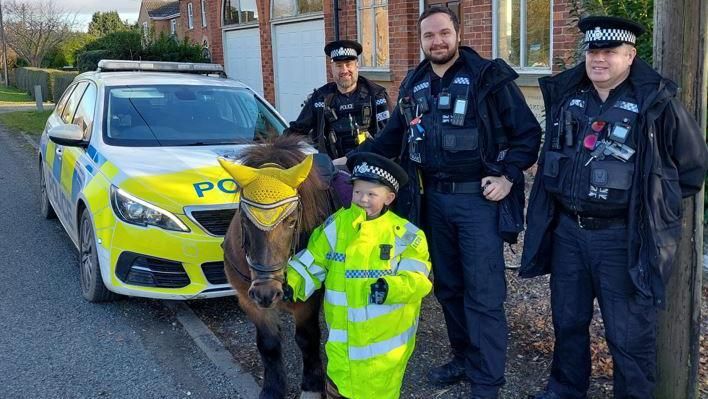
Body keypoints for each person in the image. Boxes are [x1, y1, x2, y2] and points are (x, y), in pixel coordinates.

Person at [336, 7, 542, 398]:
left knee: (483, 293)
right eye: (429, 36)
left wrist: (508, 175)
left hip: (478, 202)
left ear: (458, 33)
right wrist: (348, 161)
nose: (438, 41)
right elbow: (390, 139)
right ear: (422, 40)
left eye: (444, 33)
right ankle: (463, 358)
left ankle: (487, 380)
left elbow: (528, 135)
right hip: (432, 203)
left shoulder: (487, 77)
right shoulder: (414, 84)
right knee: (448, 288)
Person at [521, 15, 708, 399]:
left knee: (628, 334)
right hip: (569, 232)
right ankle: (566, 389)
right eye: (593, 51)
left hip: (622, 238)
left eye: (609, 52)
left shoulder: (654, 103)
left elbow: (691, 169)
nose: (599, 60)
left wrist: (653, 205)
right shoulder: (570, 95)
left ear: (630, 55)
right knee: (568, 321)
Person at [285, 152, 432, 399]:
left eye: (371, 194)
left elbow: (418, 279)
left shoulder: (407, 235)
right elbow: (313, 260)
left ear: (389, 197)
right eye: (357, 192)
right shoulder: (337, 225)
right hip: (342, 346)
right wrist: (292, 282)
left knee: (376, 391)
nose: (362, 199)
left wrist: (390, 288)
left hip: (384, 352)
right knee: (338, 387)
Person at [285, 40, 391, 159]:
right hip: (332, 169)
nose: (344, 70)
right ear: (332, 68)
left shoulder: (376, 95)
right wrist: (273, 150)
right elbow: (296, 131)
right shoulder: (320, 98)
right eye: (339, 65)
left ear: (357, 65)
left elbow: (388, 136)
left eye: (348, 64)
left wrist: (348, 159)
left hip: (369, 166)